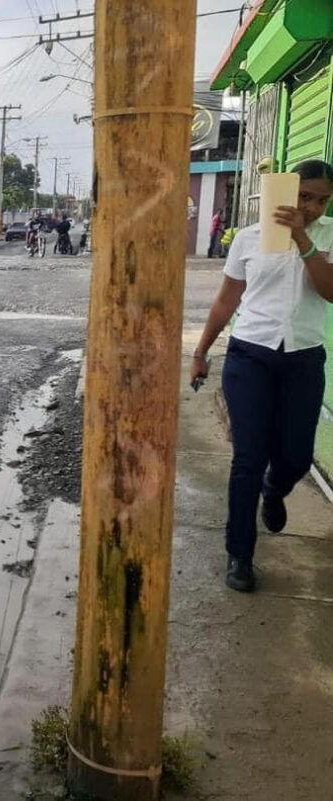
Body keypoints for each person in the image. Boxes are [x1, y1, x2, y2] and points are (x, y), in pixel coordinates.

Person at [191, 159, 333, 593]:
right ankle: (240, 554)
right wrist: (200, 352)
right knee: (248, 458)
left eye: (322, 200)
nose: (311, 207)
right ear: (286, 191)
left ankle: (276, 488)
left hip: (303, 360)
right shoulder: (250, 239)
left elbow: (330, 291)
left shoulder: (328, 236)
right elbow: (226, 301)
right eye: (304, 196)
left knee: (295, 456)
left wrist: (303, 240)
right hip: (250, 356)